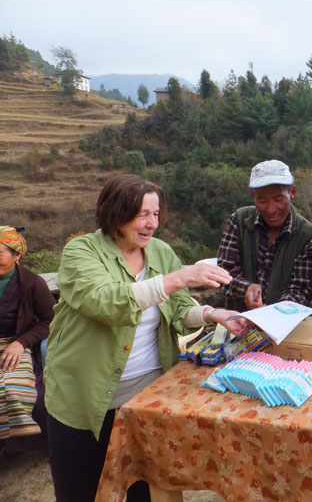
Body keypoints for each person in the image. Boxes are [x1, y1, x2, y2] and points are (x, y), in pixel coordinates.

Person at [44, 174, 249, 502]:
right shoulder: (81, 251)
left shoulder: (161, 253)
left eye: (156, 214)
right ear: (116, 212)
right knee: (81, 491)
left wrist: (214, 315)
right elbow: (105, 302)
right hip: (82, 401)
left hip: (145, 402)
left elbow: (179, 309)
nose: (152, 223)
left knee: (148, 492)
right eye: (142, 214)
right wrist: (175, 279)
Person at [218, 159, 312, 312]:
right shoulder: (239, 221)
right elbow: (224, 271)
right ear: (253, 197)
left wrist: (275, 313)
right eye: (262, 200)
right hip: (240, 323)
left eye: (278, 199)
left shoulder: (309, 236)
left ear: (292, 193)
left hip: (289, 325)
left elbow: (302, 288)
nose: (271, 209)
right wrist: (246, 289)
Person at [0, 226, 54, 449]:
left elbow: (50, 320)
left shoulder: (32, 283)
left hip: (15, 342)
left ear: (17, 256)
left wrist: (20, 343)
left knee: (11, 387)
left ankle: (18, 445)